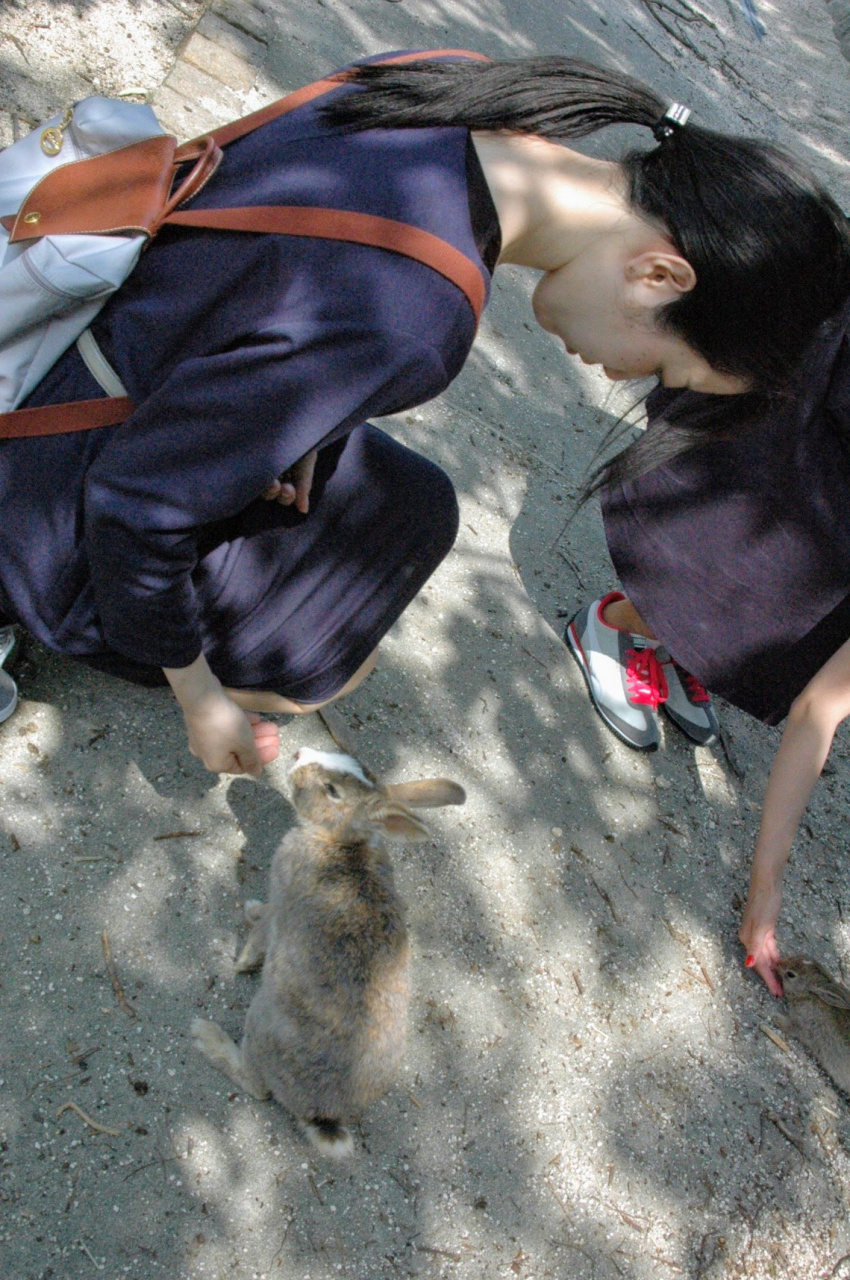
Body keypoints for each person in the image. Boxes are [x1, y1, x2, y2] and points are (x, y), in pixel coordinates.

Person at [2, 51, 849, 783]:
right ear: (660, 276)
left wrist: (308, 421)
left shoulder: (456, 86)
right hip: (47, 477)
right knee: (323, 666)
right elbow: (135, 506)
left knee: (416, 506)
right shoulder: (414, 317)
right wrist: (200, 700)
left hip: (93, 328)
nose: (623, 376)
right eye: (663, 367)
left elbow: (276, 275)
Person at [567, 294, 850, 997]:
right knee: (755, 550)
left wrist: (765, 891)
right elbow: (819, 711)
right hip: (811, 398)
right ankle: (613, 622)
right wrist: (764, 895)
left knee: (805, 602)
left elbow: (822, 705)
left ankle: (684, 647)